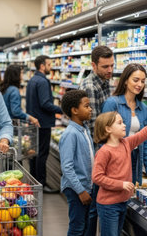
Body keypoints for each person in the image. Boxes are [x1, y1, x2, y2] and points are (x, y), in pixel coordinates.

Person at [92, 111, 147, 236]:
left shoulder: (125, 143)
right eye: (119, 123)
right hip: (108, 205)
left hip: (122, 201)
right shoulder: (104, 152)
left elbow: (142, 134)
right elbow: (97, 177)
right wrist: (121, 184)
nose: (124, 125)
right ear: (108, 129)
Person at [102, 63, 147, 189]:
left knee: (131, 194)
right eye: (136, 80)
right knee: (114, 195)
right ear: (125, 81)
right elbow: (103, 136)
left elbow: (146, 140)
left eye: (143, 81)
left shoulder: (143, 108)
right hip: (115, 159)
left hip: (135, 158)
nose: (139, 84)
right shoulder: (113, 103)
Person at [78, 45, 114, 236]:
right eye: (105, 67)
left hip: (104, 150)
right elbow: (94, 130)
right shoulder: (90, 87)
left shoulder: (106, 81)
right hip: (96, 153)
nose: (110, 71)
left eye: (111, 66)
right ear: (93, 65)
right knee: (92, 208)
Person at [59, 90, 94, 236]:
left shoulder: (84, 129)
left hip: (86, 185)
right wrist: (81, 191)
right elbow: (67, 167)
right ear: (75, 111)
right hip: (76, 188)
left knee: (86, 226)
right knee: (77, 227)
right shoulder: (70, 134)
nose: (90, 109)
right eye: (86, 106)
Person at [26, 55, 62, 191]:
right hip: (43, 123)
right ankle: (41, 183)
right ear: (42, 66)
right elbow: (45, 103)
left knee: (34, 153)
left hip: (33, 121)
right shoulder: (42, 81)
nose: (50, 67)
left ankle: (34, 181)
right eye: (48, 64)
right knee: (42, 153)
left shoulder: (32, 80)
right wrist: (62, 109)